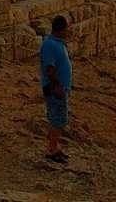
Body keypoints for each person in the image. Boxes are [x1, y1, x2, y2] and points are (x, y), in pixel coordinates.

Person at [39, 16, 74, 165]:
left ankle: (54, 147)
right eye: (66, 28)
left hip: (60, 88)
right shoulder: (50, 45)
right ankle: (52, 150)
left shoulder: (57, 43)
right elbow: (49, 68)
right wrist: (57, 86)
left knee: (58, 119)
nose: (68, 31)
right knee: (57, 120)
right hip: (55, 89)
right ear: (61, 29)